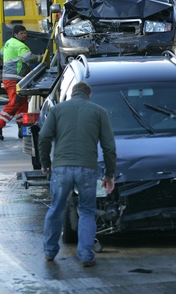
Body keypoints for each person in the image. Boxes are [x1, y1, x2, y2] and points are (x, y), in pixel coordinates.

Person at [38, 81, 116, 267]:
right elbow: (109, 147)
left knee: (56, 209)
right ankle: (85, 255)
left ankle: (49, 252)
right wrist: (109, 174)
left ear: (72, 94)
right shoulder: (99, 112)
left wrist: (45, 163)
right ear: (89, 95)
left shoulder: (57, 110)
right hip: (87, 169)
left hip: (61, 169)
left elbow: (43, 137)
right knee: (87, 211)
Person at [0, 24, 43, 141]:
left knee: (22, 103)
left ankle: (22, 129)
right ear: (15, 34)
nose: (24, 35)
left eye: (25, 33)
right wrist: (41, 58)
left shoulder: (8, 43)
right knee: (14, 103)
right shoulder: (20, 46)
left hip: (11, 79)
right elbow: (29, 58)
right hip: (15, 79)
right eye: (22, 33)